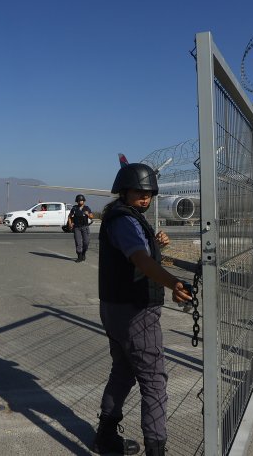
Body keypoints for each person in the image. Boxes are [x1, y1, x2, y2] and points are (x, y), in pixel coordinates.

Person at [93, 163, 192, 456]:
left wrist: (155, 242)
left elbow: (140, 253)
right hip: (135, 312)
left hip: (115, 308)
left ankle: (105, 436)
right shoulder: (124, 220)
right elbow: (139, 259)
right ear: (124, 191)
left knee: (123, 372)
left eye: (149, 193)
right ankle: (156, 449)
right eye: (139, 192)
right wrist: (173, 282)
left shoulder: (125, 217)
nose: (145, 198)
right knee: (154, 382)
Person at [68, 194, 94, 262]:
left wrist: (87, 214)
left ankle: (83, 253)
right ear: (77, 201)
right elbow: (70, 216)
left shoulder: (87, 208)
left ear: (84, 201)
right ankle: (79, 256)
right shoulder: (74, 208)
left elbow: (91, 216)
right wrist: (70, 223)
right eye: (79, 200)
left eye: (82, 200)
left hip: (85, 227)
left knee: (86, 242)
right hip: (77, 228)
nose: (80, 201)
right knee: (78, 243)